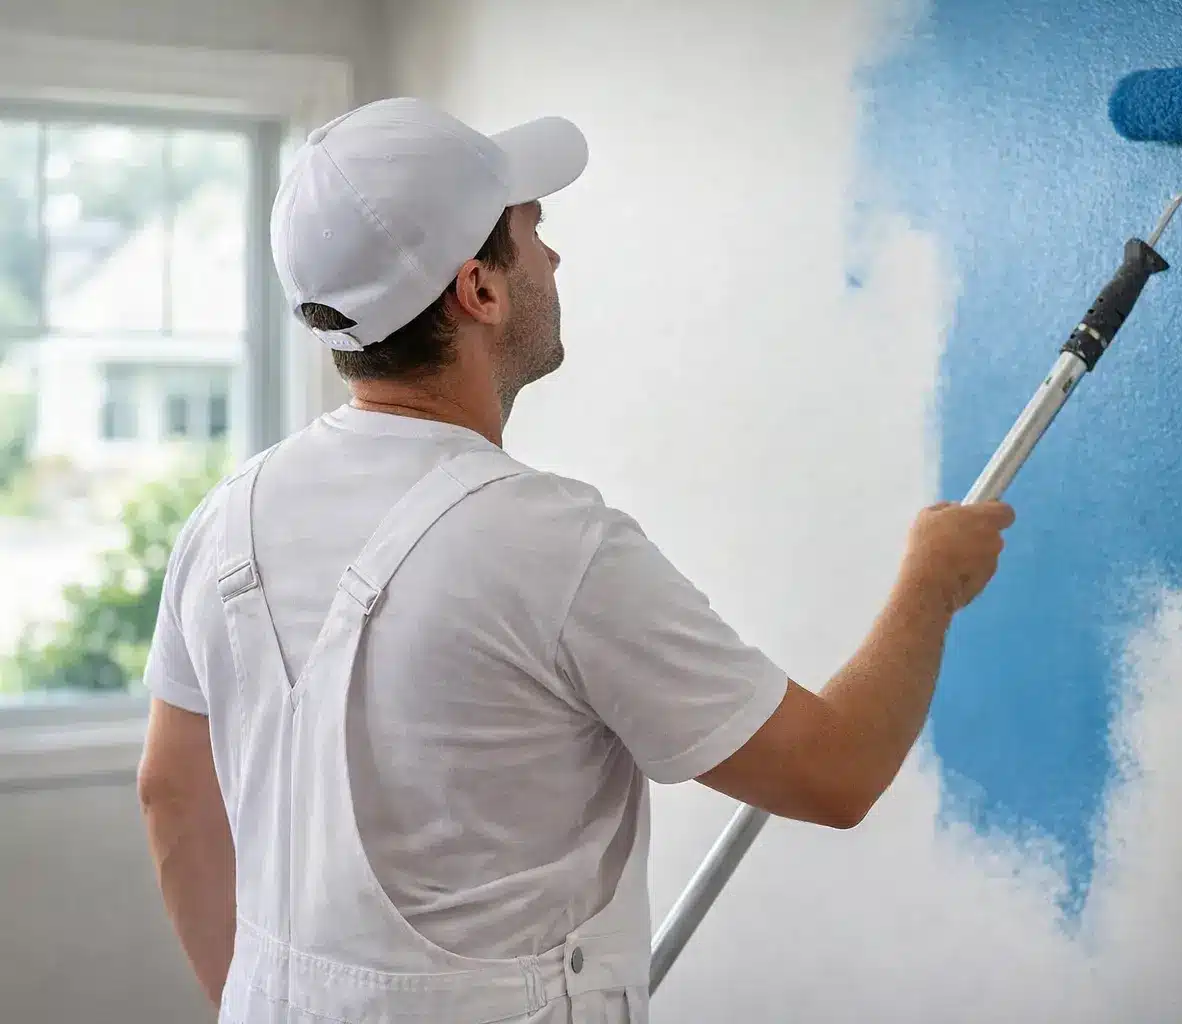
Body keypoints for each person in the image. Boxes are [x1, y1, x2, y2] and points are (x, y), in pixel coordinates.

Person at [135, 96, 1015, 1024]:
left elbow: (169, 795)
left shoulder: (225, 519)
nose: (553, 259)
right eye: (533, 232)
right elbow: (833, 774)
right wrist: (931, 584)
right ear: (480, 289)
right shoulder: (549, 542)